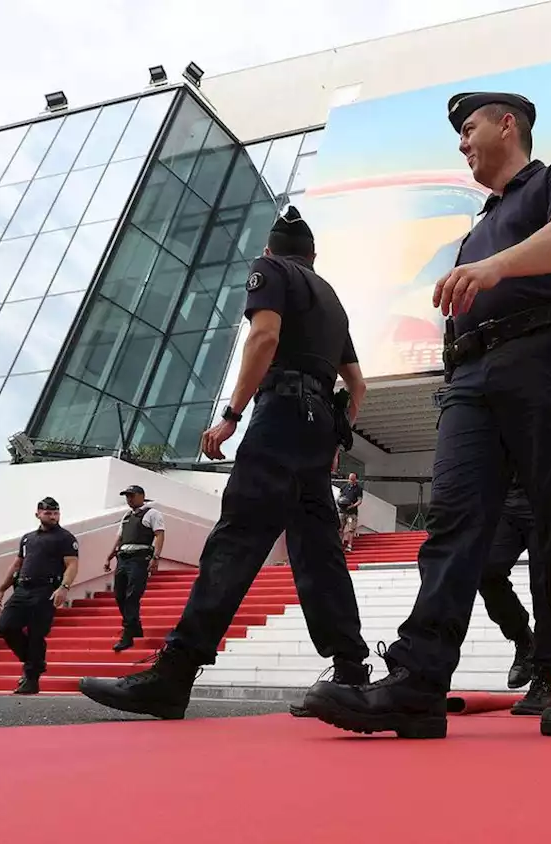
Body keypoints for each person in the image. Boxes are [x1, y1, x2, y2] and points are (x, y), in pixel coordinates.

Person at [306, 91, 551, 739]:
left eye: (469, 128)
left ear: (509, 125)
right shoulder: (478, 221)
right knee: (451, 524)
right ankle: (419, 680)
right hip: (470, 377)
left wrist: (493, 268)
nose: (462, 142)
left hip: (545, 356)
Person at [77, 206, 372, 721]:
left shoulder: (270, 272)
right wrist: (331, 433)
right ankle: (350, 671)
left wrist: (232, 414)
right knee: (319, 553)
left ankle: (174, 674)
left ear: (269, 250)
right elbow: (359, 386)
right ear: (314, 256)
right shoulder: (332, 301)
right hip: (317, 425)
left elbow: (264, 337)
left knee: (236, 540)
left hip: (280, 414)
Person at [476, 477, 551, 714]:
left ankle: (543, 678)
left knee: (544, 590)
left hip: (548, 501)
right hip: (508, 503)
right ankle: (523, 639)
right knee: (485, 571)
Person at [0, 497, 79, 695]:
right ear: (38, 514)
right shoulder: (27, 538)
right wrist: (1, 588)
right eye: (48, 513)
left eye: (55, 513)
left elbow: (72, 564)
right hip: (22, 588)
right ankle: (36, 662)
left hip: (46, 590)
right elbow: (17, 564)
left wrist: (64, 587)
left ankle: (31, 678)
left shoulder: (65, 538)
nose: (52, 516)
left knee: (36, 634)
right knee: (6, 627)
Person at [103, 485, 166, 652]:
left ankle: (128, 633)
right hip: (123, 558)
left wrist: (156, 557)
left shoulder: (152, 513)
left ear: (141, 496)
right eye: (127, 496)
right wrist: (109, 555)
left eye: (132, 496)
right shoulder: (127, 516)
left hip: (139, 558)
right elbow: (120, 537)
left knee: (132, 595)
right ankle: (134, 626)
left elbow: (160, 534)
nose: (129, 499)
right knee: (119, 594)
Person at [336, 473, 362, 552]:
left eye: (352, 479)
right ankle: (339, 545)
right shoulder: (344, 487)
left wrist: (352, 506)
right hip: (342, 511)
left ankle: (349, 546)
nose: (350, 481)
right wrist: (339, 503)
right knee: (340, 528)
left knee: (351, 529)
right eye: (350, 479)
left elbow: (360, 500)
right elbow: (339, 496)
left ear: (355, 479)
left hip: (352, 513)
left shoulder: (358, 488)